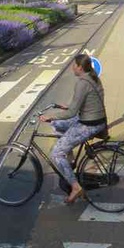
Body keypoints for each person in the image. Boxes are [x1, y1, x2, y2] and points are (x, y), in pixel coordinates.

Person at [39, 53, 107, 204]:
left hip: (89, 123)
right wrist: (67, 107)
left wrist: (51, 116)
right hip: (94, 118)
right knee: (57, 126)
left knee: (56, 153)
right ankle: (69, 160)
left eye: (73, 65)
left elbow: (71, 113)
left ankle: (75, 187)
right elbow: (85, 102)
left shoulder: (82, 83)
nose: (71, 68)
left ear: (80, 67)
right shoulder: (93, 76)